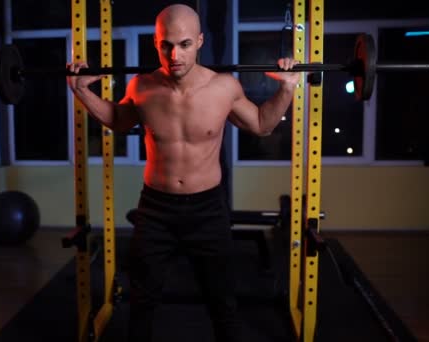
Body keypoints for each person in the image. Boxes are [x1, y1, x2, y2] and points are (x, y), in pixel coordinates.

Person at [67, 4, 300, 341]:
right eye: (166, 45)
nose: (174, 54)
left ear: (201, 41)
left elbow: (263, 125)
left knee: (222, 303)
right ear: (156, 43)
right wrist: (81, 90)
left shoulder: (224, 88)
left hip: (208, 210)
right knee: (142, 302)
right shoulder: (141, 87)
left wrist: (287, 88)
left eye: (185, 44)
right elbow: (119, 120)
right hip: (155, 210)